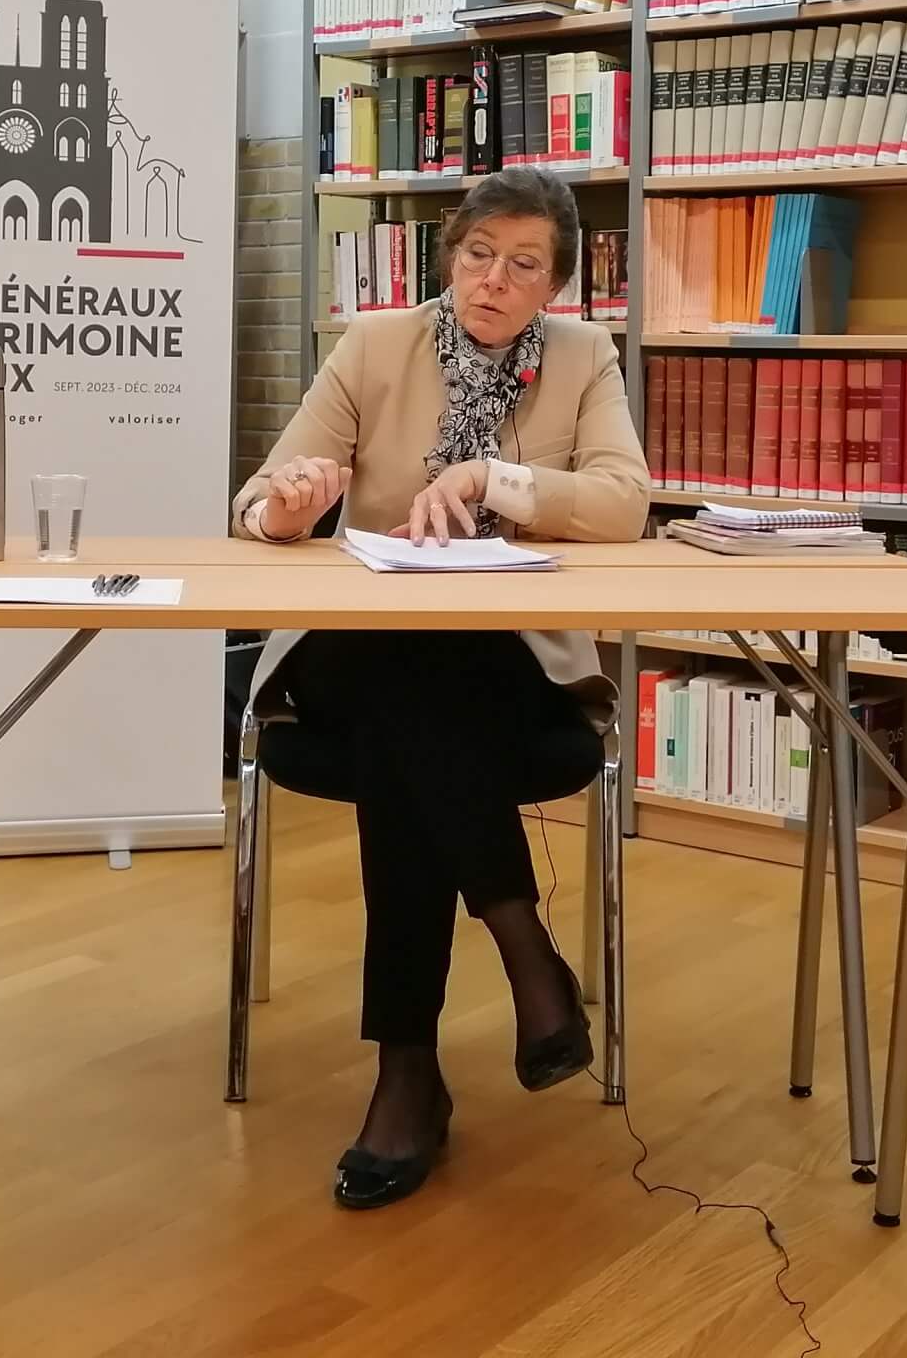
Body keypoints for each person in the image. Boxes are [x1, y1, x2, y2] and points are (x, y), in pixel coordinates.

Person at [232, 167, 650, 1209]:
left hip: (506, 671)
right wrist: (290, 509)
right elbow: (259, 499)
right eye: (477, 255)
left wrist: (488, 478)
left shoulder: (584, 358)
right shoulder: (375, 345)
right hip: (353, 654)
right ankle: (523, 944)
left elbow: (623, 504)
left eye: (523, 265)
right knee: (408, 665)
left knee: (415, 718)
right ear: (450, 256)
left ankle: (408, 1074)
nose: (493, 280)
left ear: (555, 285)